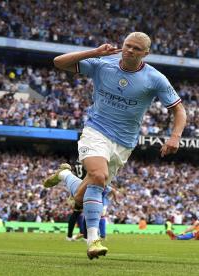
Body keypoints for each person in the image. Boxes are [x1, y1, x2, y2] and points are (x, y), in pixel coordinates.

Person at [43, 31, 187, 260]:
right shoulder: (103, 63)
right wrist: (95, 52)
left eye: (136, 48)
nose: (130, 50)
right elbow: (58, 62)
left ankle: (64, 175)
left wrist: (175, 136)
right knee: (98, 177)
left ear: (145, 53)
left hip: (124, 142)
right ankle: (93, 240)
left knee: (84, 194)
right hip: (96, 131)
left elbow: (179, 109)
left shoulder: (155, 78)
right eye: (127, 45)